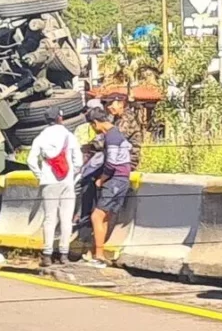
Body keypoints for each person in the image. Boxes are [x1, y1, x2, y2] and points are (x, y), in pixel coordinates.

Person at [28, 106, 83, 268]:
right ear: (60, 118)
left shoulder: (41, 137)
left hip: (48, 182)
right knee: (66, 218)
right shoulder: (69, 136)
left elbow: (31, 161)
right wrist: (73, 175)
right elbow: (78, 162)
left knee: (50, 218)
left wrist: (41, 175)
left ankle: (47, 255)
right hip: (67, 182)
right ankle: (64, 254)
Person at [86, 107, 132, 269]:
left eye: (92, 125)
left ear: (96, 123)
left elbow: (111, 162)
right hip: (123, 179)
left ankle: (99, 255)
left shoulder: (111, 137)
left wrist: (101, 179)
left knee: (97, 216)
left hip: (115, 180)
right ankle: (99, 252)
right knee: (104, 216)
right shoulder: (117, 134)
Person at [103, 93, 142, 171]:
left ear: (121, 104)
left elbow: (115, 138)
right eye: (107, 104)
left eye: (111, 104)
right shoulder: (117, 118)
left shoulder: (126, 118)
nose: (108, 107)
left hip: (128, 160)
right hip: (120, 157)